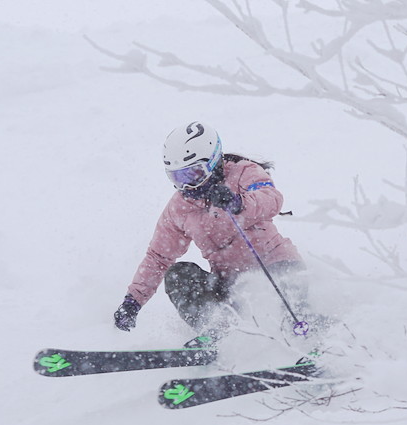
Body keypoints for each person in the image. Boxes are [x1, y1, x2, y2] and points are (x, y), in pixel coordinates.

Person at [113, 121, 308, 343]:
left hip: (276, 267)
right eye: (178, 178)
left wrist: (238, 203)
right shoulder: (180, 207)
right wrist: (133, 302)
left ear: (214, 161)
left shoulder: (244, 173)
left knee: (288, 297)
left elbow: (271, 198)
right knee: (178, 275)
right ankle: (217, 331)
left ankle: (314, 337)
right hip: (230, 286)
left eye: (193, 174)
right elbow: (158, 257)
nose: (188, 186)